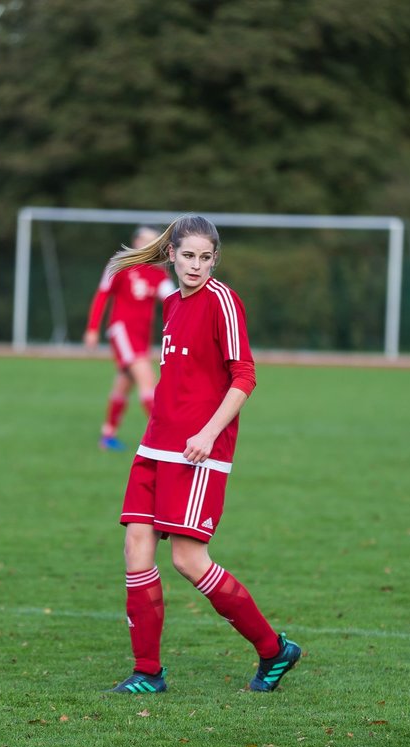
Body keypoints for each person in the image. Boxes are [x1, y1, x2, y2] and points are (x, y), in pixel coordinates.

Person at [105, 214, 301, 694]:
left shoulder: (223, 301)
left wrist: (209, 434)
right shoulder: (170, 303)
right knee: (135, 549)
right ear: (171, 254)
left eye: (205, 257)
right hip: (155, 443)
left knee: (189, 562)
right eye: (188, 255)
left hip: (198, 451)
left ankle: (274, 651)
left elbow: (245, 376)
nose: (196, 266)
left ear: (216, 258)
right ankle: (147, 672)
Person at [83, 226, 175, 451]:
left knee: (124, 384)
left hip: (142, 336)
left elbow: (174, 301)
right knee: (147, 380)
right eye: (145, 240)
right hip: (122, 331)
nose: (148, 245)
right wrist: (93, 328)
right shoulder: (121, 263)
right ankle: (164, 438)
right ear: (135, 241)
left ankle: (107, 435)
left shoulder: (159, 273)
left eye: (154, 242)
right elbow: (103, 293)